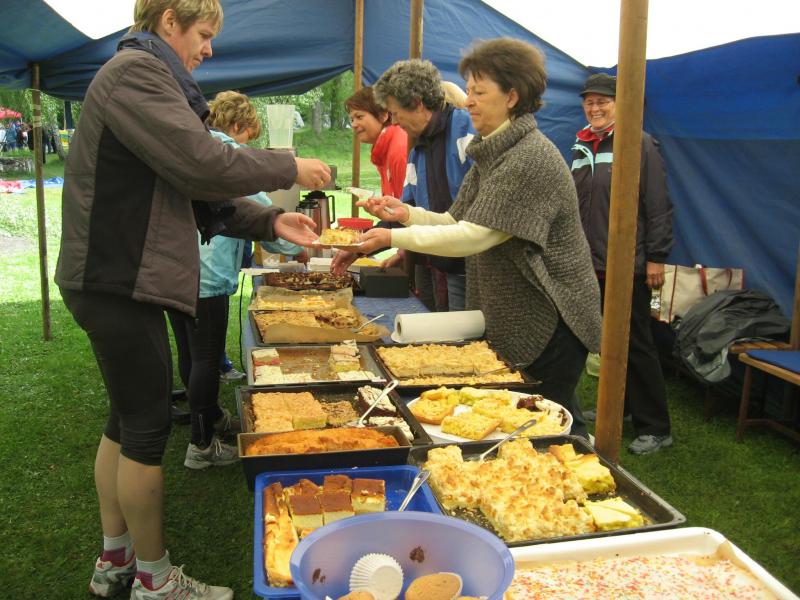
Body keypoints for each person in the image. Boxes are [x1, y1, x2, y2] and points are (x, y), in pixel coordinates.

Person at [55, 1, 330, 598]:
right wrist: (288, 165)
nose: (209, 49)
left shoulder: (145, 78)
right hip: (116, 277)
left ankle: (115, 560)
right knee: (146, 429)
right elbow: (202, 163)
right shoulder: (137, 74)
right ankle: (154, 580)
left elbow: (192, 187)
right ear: (168, 21)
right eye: (203, 35)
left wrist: (270, 221)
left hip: (110, 278)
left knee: (125, 419)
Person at [344, 38, 601, 437]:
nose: (469, 102)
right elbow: (454, 219)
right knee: (526, 424)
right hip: (519, 311)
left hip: (550, 317)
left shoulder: (528, 158)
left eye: (479, 92)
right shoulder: (494, 152)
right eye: (469, 91)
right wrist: (405, 214)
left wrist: (393, 239)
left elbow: (473, 237)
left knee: (542, 428)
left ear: (512, 96)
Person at [168, 90, 309, 470]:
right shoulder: (226, 157)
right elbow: (259, 208)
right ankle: (201, 445)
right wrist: (297, 247)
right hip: (208, 277)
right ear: (235, 126)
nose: (248, 143)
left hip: (178, 271)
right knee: (206, 358)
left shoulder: (194, 150)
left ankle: (209, 418)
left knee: (191, 354)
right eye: (248, 135)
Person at [571, 73, 674, 455]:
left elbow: (658, 204)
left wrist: (657, 257)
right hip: (590, 263)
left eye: (603, 101)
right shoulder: (582, 144)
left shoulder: (638, 142)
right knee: (607, 343)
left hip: (627, 263)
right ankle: (622, 407)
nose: (595, 108)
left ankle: (656, 427)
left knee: (637, 343)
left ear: (619, 104)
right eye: (589, 102)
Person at [333, 60, 474, 312]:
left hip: (473, 268)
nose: (395, 122)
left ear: (417, 103)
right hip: (444, 262)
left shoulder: (465, 130)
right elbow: (406, 211)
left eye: (396, 113)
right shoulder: (418, 148)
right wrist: (360, 247)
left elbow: (472, 216)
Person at [345, 86, 408, 199]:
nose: (353, 124)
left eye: (359, 117)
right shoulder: (386, 147)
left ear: (383, 115)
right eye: (352, 119)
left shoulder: (399, 148)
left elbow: (407, 205)